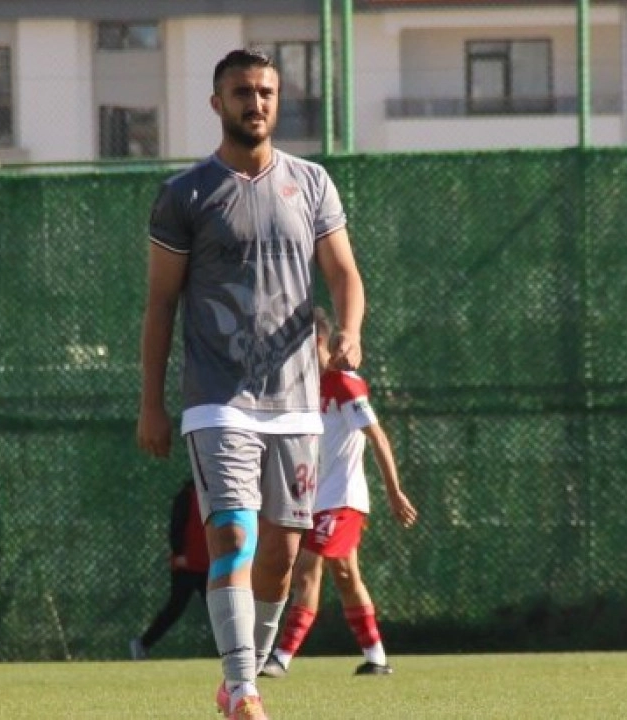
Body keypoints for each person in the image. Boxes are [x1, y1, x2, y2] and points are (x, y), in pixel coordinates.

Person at [136, 49, 366, 720]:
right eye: (241, 91)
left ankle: (243, 677)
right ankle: (243, 690)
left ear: (277, 99)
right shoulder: (186, 193)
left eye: (266, 91)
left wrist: (349, 331)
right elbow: (161, 303)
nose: (255, 102)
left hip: (295, 402)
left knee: (282, 559)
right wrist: (152, 403)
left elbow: (344, 274)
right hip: (218, 400)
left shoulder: (312, 183)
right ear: (218, 103)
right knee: (233, 537)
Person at [261, 310, 416, 679]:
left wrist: (394, 492)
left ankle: (280, 658)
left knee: (306, 570)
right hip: (311, 499)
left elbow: (377, 437)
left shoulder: (346, 384)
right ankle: (377, 657)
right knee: (346, 576)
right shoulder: (302, 389)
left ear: (317, 342)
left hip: (342, 498)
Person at [130, 478, 210, 660]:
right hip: (187, 565)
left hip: (208, 565)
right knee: (175, 608)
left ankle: (242, 650)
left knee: (219, 608)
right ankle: (142, 644)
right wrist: (179, 553)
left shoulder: (218, 496)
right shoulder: (186, 496)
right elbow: (176, 527)